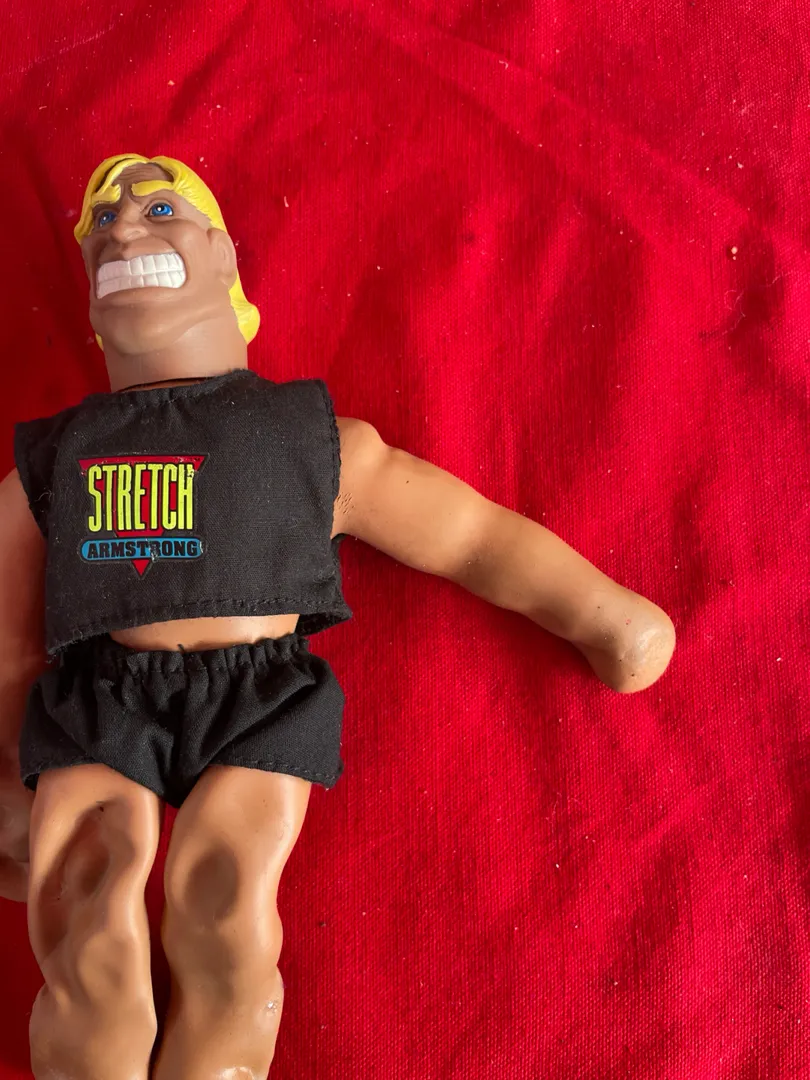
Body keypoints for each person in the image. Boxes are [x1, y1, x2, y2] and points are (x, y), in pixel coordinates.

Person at [0, 153, 675, 1079]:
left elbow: (469, 537)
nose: (122, 231)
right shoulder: (55, 458)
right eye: (101, 224)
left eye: (157, 209)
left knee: (226, 913)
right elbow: (7, 635)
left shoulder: (308, 439)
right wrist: (9, 775)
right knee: (84, 919)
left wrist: (602, 615)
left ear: (223, 254)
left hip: (257, 702)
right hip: (98, 699)